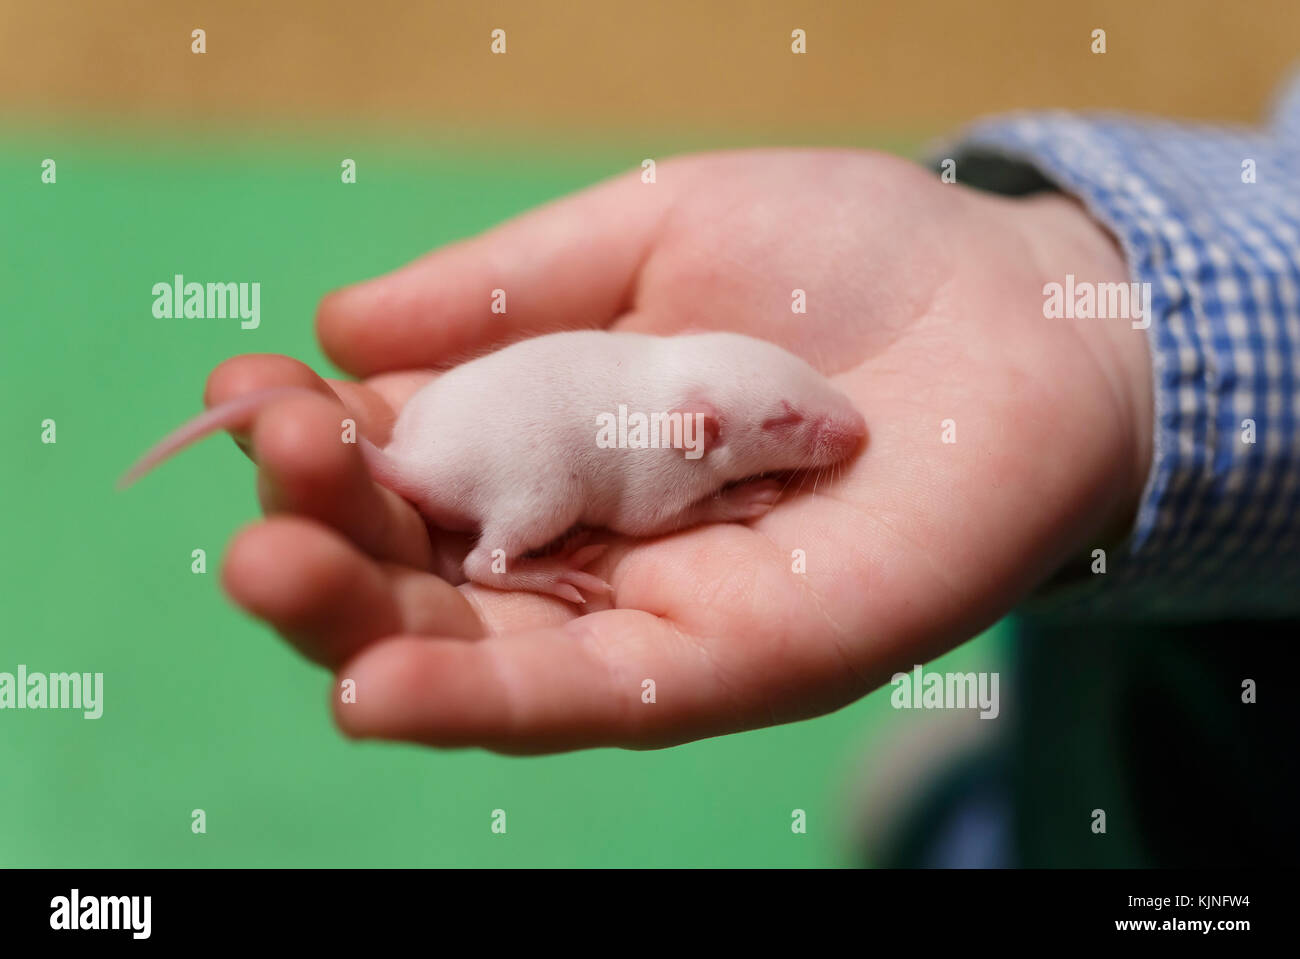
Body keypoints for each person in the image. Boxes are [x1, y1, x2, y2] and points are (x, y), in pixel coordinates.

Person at [201, 77, 1300, 863]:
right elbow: (635, 497)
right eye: (785, 424)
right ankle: (502, 555)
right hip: (484, 460)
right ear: (701, 432)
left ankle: (983, 823)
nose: (825, 433)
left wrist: (1112, 355)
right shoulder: (666, 444)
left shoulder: (688, 394)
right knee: (1158, 747)